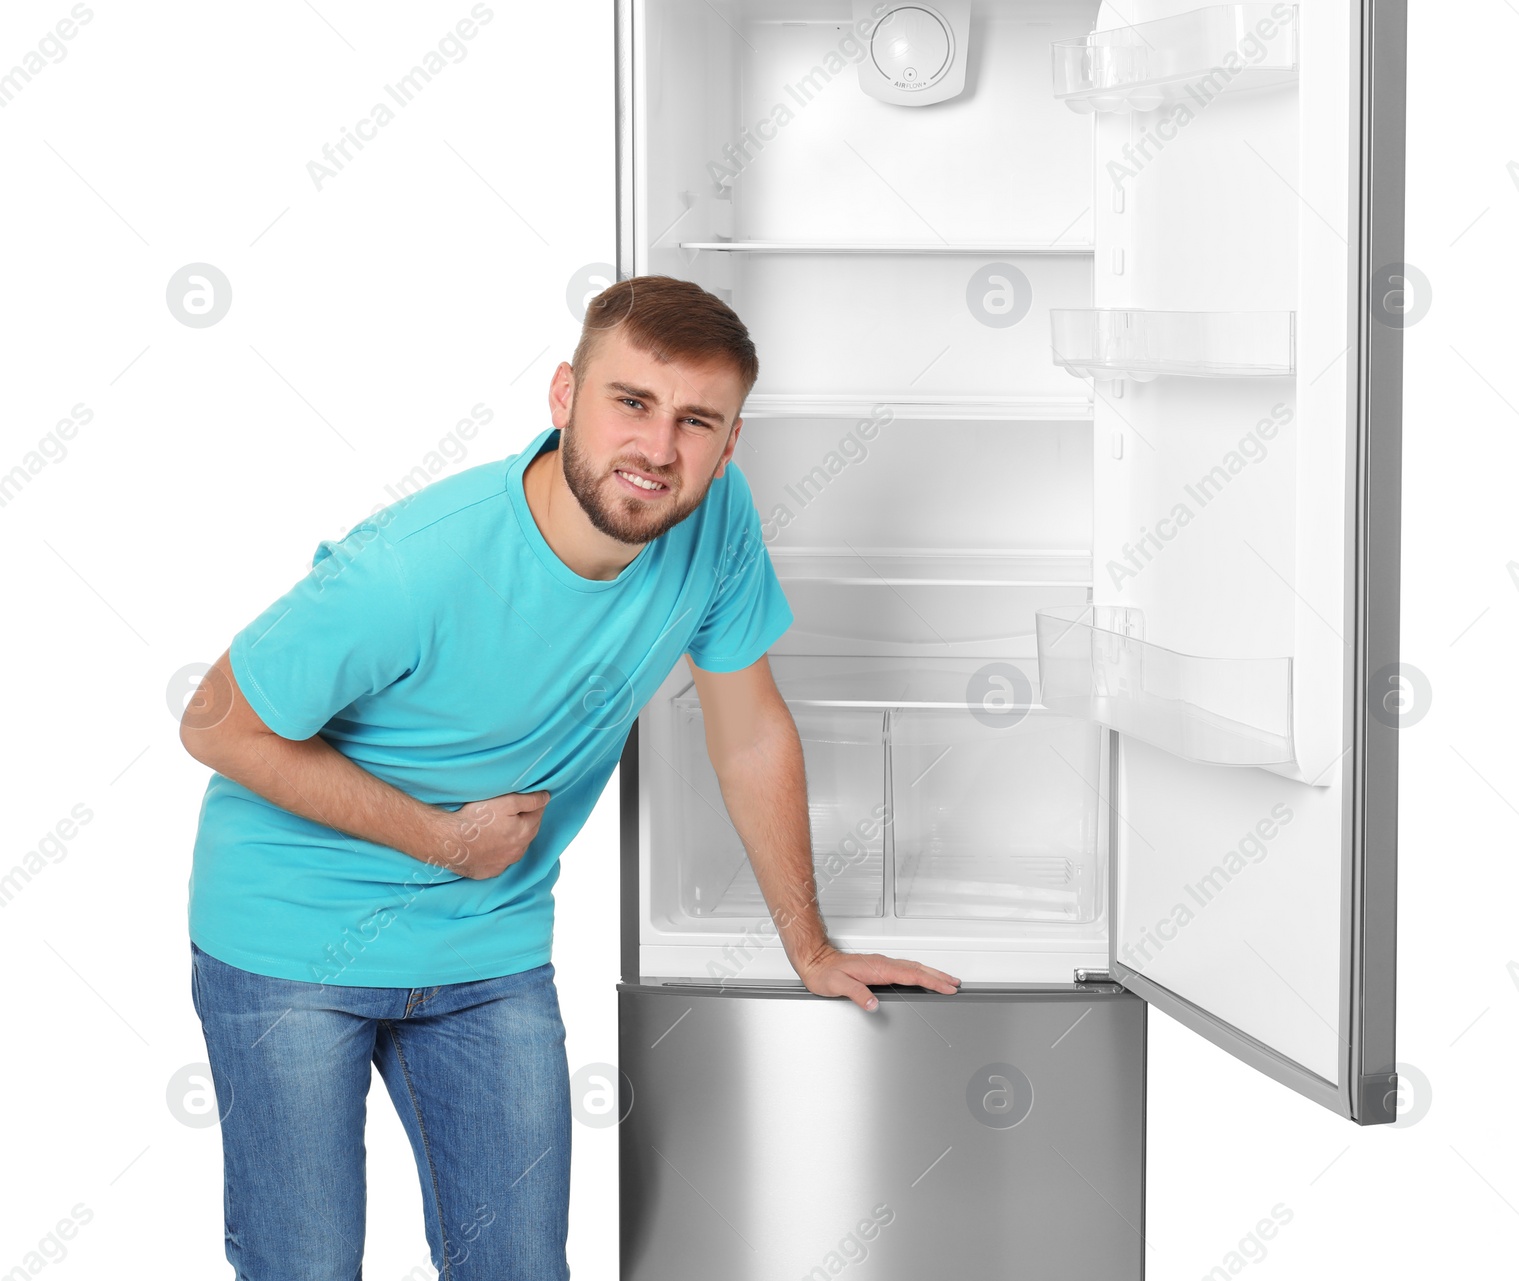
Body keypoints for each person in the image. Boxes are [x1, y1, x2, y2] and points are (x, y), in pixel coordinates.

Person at [181, 274, 959, 1280]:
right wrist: (444, 841)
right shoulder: (417, 566)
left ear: (729, 448)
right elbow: (213, 723)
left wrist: (808, 948)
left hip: (483, 943)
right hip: (290, 933)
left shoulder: (716, 521)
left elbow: (749, 732)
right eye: (630, 403)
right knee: (305, 1266)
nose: (658, 449)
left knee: (517, 1266)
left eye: (696, 422)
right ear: (563, 398)